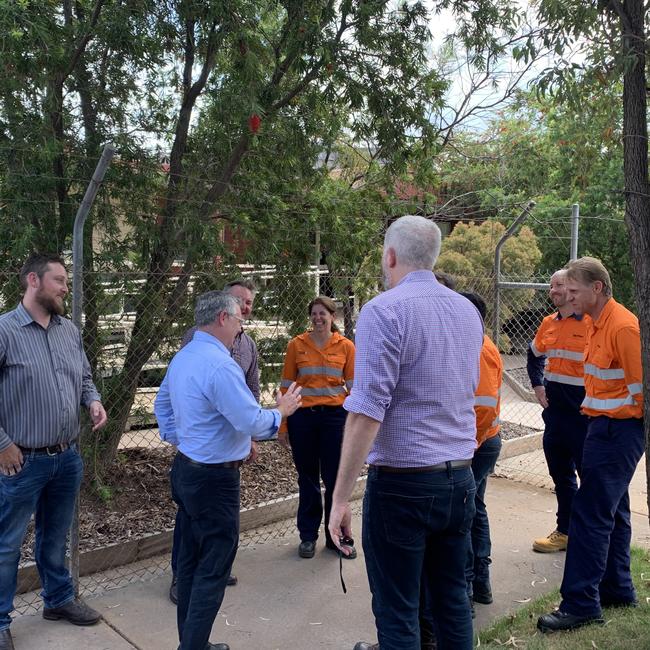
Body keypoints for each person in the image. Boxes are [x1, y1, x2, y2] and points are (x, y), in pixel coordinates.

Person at [329, 215, 484, 650]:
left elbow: (365, 411)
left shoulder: (384, 310)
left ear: (390, 255)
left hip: (404, 485)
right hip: (460, 481)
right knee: (452, 600)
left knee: (398, 611)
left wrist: (339, 499)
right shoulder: (467, 310)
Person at [154, 290, 301, 650]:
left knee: (189, 563)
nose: (241, 327)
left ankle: (191, 642)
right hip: (214, 481)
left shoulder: (185, 356)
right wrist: (281, 412)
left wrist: (187, 440)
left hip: (188, 471)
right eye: (238, 320)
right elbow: (252, 420)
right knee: (214, 568)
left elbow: (162, 406)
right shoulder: (219, 365)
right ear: (222, 318)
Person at [0, 253, 108, 650]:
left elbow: (83, 377)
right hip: (20, 461)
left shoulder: (68, 331)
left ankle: (58, 601)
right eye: (59, 280)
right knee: (7, 543)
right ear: (33, 280)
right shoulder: (5, 331)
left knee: (55, 535)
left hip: (66, 457)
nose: (66, 287)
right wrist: (3, 446)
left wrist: (93, 401)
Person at [538, 257, 644, 633]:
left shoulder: (623, 327)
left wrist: (615, 429)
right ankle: (617, 589)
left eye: (575, 289)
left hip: (617, 431)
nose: (568, 294)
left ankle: (581, 604)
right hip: (600, 426)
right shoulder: (598, 323)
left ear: (596, 288)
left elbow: (640, 394)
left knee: (589, 515)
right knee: (612, 512)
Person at [168, 278, 260, 603]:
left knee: (219, 519)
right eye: (239, 302)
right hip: (200, 453)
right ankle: (184, 576)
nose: (244, 307)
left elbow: (251, 391)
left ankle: (215, 567)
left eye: (248, 301)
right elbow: (182, 389)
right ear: (223, 310)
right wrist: (182, 437)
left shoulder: (247, 345)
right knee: (191, 518)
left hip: (228, 448)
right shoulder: (198, 341)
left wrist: (248, 436)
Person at [278, 296, 356, 559]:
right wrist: (284, 424)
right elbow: (286, 388)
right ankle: (308, 536)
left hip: (335, 419)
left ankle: (335, 537)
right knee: (308, 478)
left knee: (335, 480)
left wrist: (356, 425)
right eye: (314, 313)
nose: (318, 318)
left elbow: (355, 390)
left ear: (332, 317)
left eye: (323, 313)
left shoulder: (346, 347)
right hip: (303, 419)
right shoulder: (296, 345)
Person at [527, 269, 589, 553]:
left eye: (560, 285)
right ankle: (565, 532)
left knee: (590, 477)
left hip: (584, 416)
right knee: (561, 476)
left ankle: (591, 536)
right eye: (551, 285)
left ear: (573, 288)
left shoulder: (591, 322)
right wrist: (538, 387)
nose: (553, 290)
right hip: (555, 416)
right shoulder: (548, 323)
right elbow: (534, 354)